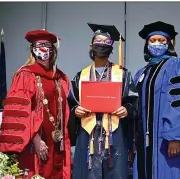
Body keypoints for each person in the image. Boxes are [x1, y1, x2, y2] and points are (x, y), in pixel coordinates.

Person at [133, 21, 180, 179]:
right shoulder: (144, 71)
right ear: (146, 44)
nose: (157, 44)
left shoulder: (177, 65)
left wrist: (176, 137)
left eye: (162, 40)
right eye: (152, 41)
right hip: (146, 140)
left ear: (169, 43)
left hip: (166, 140)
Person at [68, 23, 138, 179]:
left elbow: (134, 103)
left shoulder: (123, 74)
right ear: (91, 46)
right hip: (88, 135)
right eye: (98, 41)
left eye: (106, 42)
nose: (102, 45)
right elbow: (71, 103)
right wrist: (75, 111)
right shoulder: (81, 76)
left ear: (112, 48)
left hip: (114, 135)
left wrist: (126, 109)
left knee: (115, 172)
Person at [0, 29, 71, 178]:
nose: (43, 49)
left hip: (56, 145)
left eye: (47, 45)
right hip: (35, 145)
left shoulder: (60, 78)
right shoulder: (25, 75)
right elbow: (19, 113)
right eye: (39, 45)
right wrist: (36, 140)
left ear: (53, 51)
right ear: (32, 49)